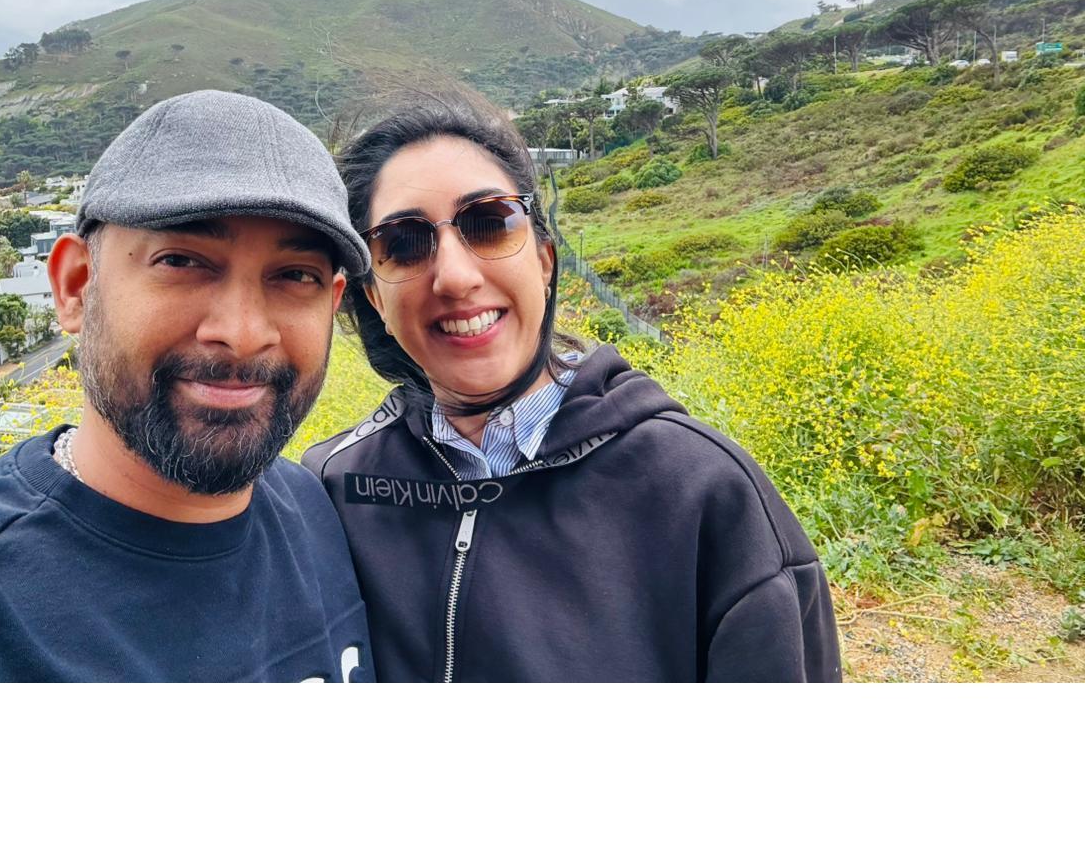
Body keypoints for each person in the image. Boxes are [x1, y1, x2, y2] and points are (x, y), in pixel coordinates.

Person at [0, 91, 373, 682]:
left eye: (295, 276)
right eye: (182, 261)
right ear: (76, 287)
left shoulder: (315, 509)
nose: (243, 333)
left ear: (332, 303)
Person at [303, 91, 842, 682]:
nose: (454, 277)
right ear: (375, 298)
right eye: (402, 244)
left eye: (490, 223)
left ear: (544, 260)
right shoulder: (333, 489)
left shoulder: (704, 493)